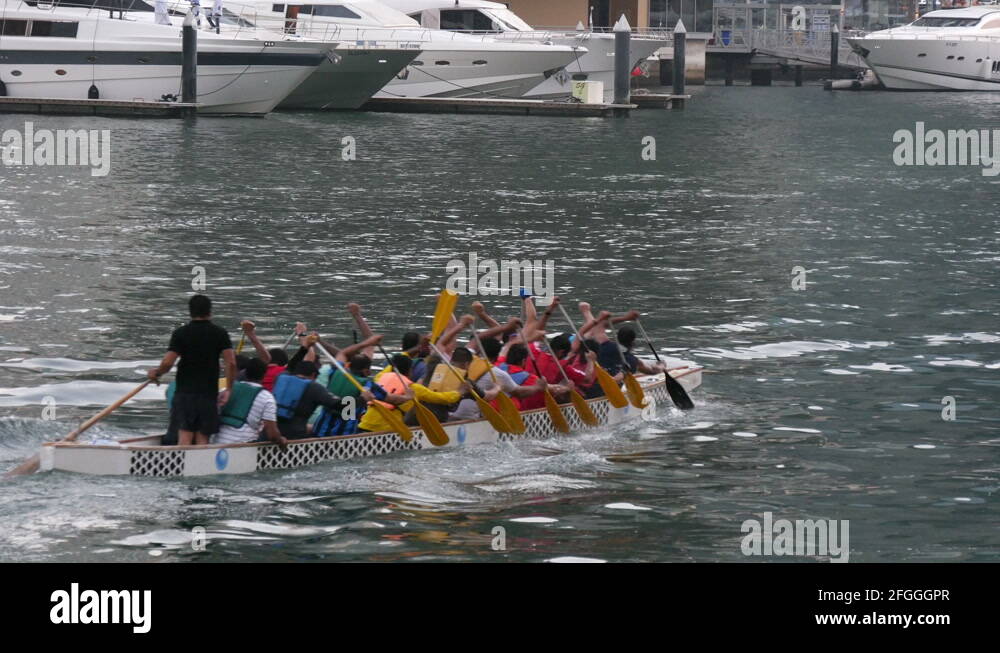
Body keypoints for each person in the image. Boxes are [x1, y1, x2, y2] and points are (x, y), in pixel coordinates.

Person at [148, 294, 235, 446]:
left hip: (185, 393)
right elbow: (231, 363)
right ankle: (201, 468)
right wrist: (229, 388)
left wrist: (157, 373)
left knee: (185, 437)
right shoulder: (220, 333)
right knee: (203, 439)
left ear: (190, 312)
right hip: (208, 394)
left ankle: (183, 468)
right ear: (209, 311)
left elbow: (168, 362)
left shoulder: (181, 333)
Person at [213, 358, 287, 448]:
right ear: (264, 375)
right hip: (243, 446)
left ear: (245, 372)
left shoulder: (226, 390)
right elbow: (272, 435)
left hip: (217, 443)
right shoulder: (267, 398)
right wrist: (281, 439)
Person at [272, 360, 344, 439]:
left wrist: (304, 348)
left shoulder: (280, 377)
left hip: (271, 432)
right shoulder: (314, 387)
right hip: (295, 437)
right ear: (313, 375)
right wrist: (359, 400)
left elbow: (291, 364)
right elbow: (339, 405)